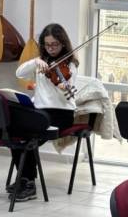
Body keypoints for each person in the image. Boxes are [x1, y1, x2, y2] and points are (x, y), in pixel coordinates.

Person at [13, 23, 81, 202]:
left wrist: (58, 84)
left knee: (29, 138)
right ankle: (24, 179)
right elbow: (20, 73)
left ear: (63, 44)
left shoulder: (70, 65)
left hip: (61, 114)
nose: (51, 49)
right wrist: (35, 61)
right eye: (47, 45)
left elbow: (68, 95)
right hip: (40, 111)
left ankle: (27, 182)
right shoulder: (40, 64)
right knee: (15, 133)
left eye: (55, 45)